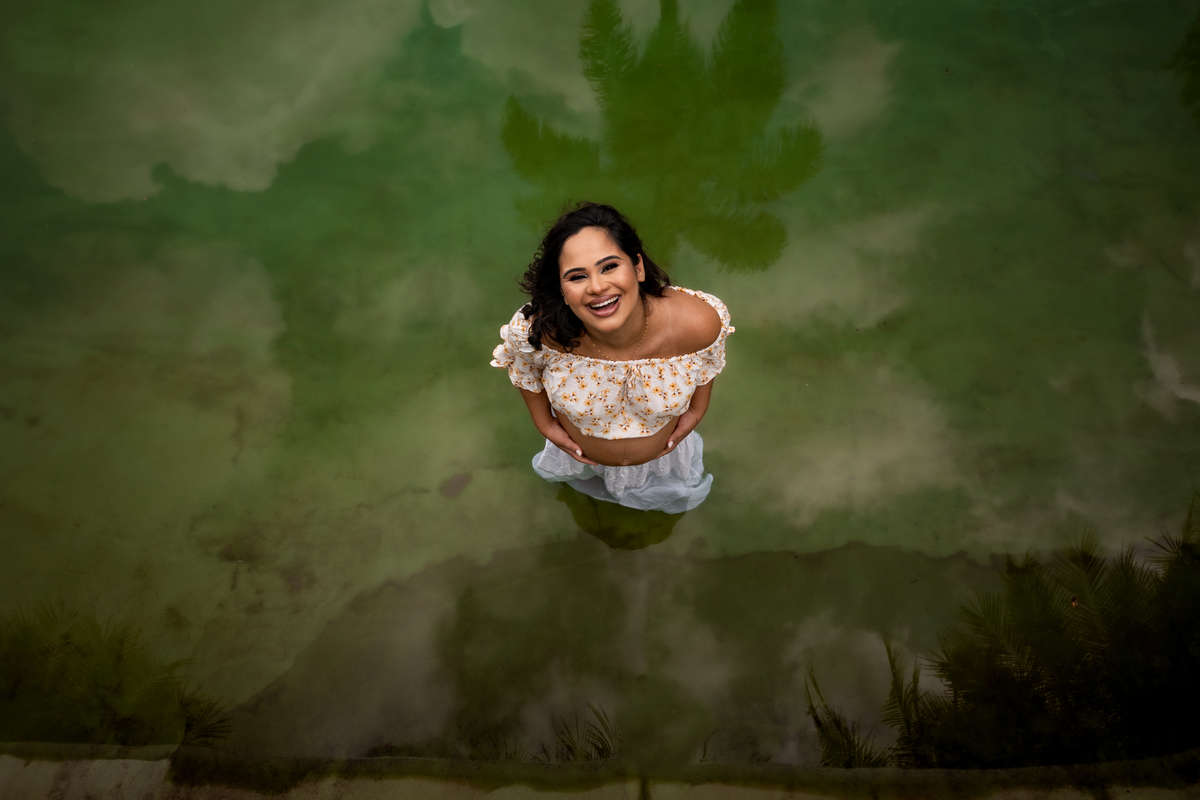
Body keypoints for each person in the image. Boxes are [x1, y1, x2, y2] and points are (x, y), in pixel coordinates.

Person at [490, 203, 734, 514]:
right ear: (561, 289)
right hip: (579, 458)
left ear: (638, 267)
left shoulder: (697, 323)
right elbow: (523, 367)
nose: (597, 287)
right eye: (577, 276)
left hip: (664, 459)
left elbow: (708, 361)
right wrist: (545, 425)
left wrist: (696, 412)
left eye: (609, 267)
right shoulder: (539, 331)